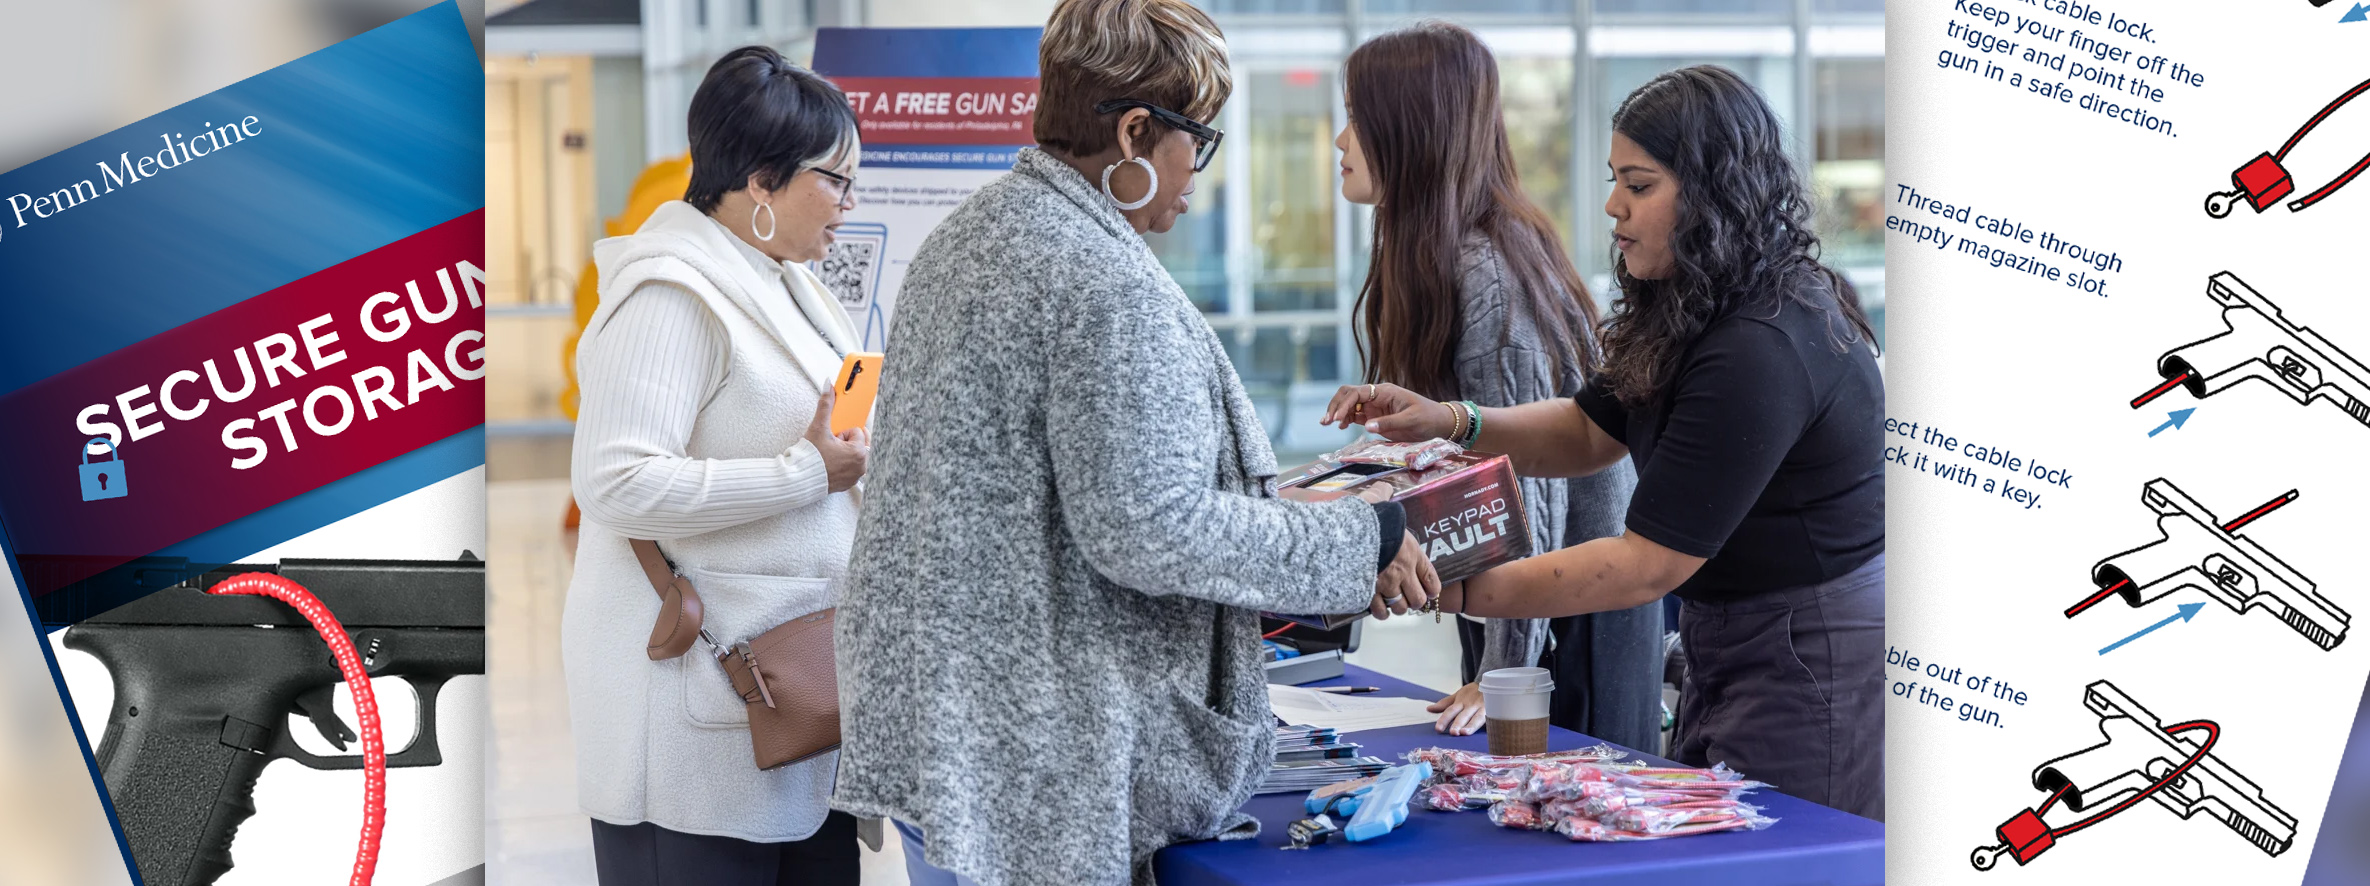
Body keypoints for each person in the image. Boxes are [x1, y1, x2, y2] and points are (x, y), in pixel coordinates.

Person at [831, 1, 1438, 883]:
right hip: (1049, 768)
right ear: (1133, 135)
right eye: (1199, 139)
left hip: (963, 740)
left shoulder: (967, 239)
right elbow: (1148, 527)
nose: (1201, 170)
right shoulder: (1102, 283)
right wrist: (1362, 534)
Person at [1326, 65, 1886, 820]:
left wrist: (1455, 589)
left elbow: (1643, 564)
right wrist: (1452, 420)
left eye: (1639, 185)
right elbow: (1589, 431)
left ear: (1715, 195)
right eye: (1615, 180)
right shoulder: (1696, 301)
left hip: (1808, 654)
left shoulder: (1760, 345)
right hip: (1729, 636)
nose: (1611, 206)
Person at [561, 46, 874, 884]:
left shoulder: (793, 285)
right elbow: (617, 482)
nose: (849, 205)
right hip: (698, 706)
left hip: (798, 696)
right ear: (762, 180)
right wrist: (807, 472)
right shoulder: (671, 296)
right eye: (835, 180)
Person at [1332, 22, 1660, 752]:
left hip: (1571, 618)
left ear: (1410, 128)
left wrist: (1505, 671)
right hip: (1520, 611)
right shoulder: (1437, 254)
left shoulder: (1486, 269)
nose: (1339, 140)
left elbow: (1527, 490)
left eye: (1355, 116)